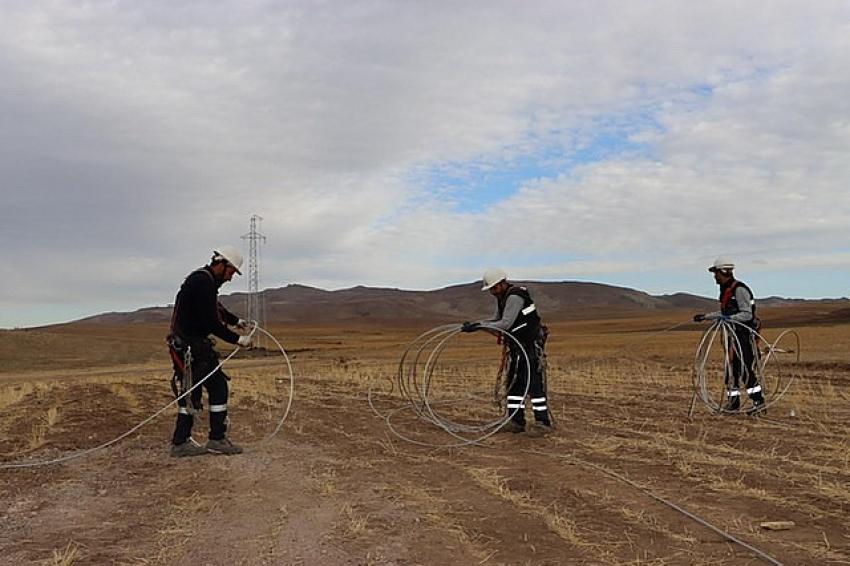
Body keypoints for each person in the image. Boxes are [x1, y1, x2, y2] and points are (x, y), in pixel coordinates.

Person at [167, 246, 254, 457]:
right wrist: (238, 340)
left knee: (194, 392)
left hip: (191, 346)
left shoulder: (203, 280)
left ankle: (183, 441)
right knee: (212, 388)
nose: (230, 278)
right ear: (222, 265)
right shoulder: (203, 282)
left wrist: (236, 321)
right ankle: (213, 440)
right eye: (231, 272)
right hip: (191, 348)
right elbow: (211, 322)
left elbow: (214, 308)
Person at [462, 268, 552, 437]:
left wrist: (481, 325)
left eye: (494, 288)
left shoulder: (515, 297)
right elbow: (496, 321)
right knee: (514, 383)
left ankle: (543, 423)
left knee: (533, 383)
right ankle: (516, 422)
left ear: (502, 283)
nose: (493, 292)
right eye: (491, 289)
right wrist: (477, 325)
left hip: (529, 346)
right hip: (517, 347)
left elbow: (505, 324)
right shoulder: (502, 298)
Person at [693, 258, 765, 415]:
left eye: (716, 273)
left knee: (745, 370)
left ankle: (758, 403)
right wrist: (706, 317)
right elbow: (725, 312)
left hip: (743, 336)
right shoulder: (726, 290)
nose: (715, 277)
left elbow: (747, 314)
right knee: (731, 370)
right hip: (732, 336)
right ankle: (733, 403)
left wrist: (728, 319)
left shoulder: (739, 290)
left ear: (723, 272)